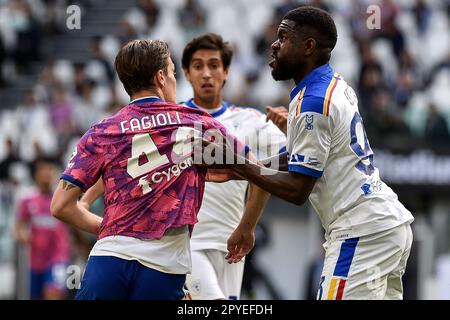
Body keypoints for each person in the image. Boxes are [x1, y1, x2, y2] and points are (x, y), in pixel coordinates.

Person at [206, 6, 414, 300]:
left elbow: (298, 188)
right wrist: (244, 166)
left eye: (283, 37)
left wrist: (239, 165)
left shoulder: (312, 101)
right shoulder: (331, 83)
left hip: (361, 232)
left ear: (308, 47)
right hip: (385, 227)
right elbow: (300, 158)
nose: (274, 44)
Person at [50, 39, 248, 300]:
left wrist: (112, 226)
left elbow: (60, 206)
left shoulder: (102, 131)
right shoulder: (197, 123)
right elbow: (254, 169)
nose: (176, 81)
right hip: (164, 266)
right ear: (161, 77)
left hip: (108, 261)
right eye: (174, 73)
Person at [180, 33, 286, 300]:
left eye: (214, 65)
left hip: (232, 246)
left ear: (226, 72)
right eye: (198, 66)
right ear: (186, 73)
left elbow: (282, 164)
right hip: (185, 244)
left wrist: (290, 129)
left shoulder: (250, 121)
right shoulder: (173, 121)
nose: (206, 73)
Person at [15, 157, 71, 300]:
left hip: (58, 258)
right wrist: (22, 236)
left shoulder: (61, 198)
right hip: (35, 261)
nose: (46, 173)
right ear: (36, 174)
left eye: (50, 169)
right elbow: (19, 226)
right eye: (43, 169)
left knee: (53, 294)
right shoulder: (27, 199)